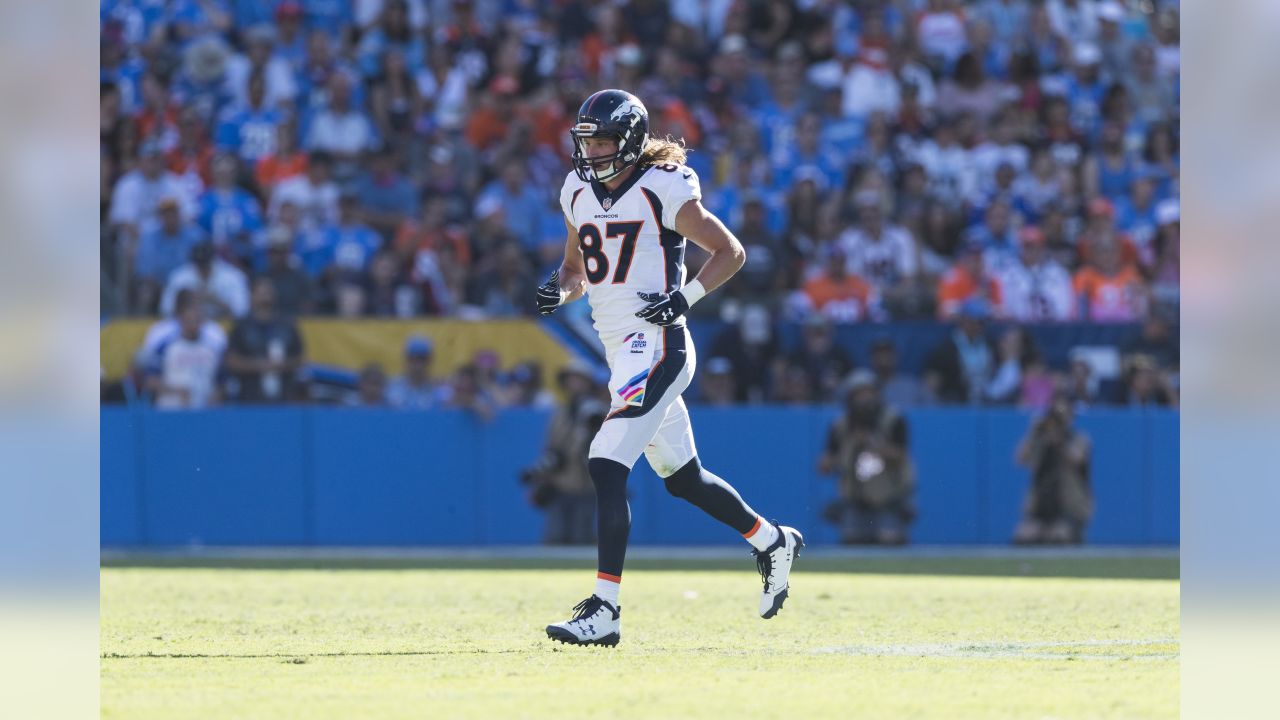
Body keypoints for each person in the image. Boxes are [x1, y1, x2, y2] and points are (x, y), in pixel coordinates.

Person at [536, 90, 804, 647]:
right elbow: (575, 268)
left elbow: (730, 251)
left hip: (658, 343)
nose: (594, 151)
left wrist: (686, 297)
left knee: (606, 463)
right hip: (620, 350)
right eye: (588, 140)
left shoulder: (663, 186)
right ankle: (770, 540)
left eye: (605, 140)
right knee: (684, 481)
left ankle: (604, 609)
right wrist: (557, 292)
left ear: (631, 140)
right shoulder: (576, 190)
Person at [818, 370, 915, 545]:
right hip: (855, 499)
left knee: (889, 540)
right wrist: (847, 452)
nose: (864, 399)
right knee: (853, 540)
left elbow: (902, 455)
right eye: (859, 394)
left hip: (888, 497)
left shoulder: (892, 419)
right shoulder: (841, 425)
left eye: (868, 392)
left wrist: (873, 446)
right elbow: (825, 465)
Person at [521, 364, 606, 545]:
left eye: (579, 380)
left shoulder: (599, 411)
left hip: (588, 485)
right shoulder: (560, 414)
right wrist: (539, 479)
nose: (574, 384)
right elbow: (551, 451)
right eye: (570, 380)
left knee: (583, 540)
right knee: (555, 539)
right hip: (559, 485)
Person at [1013, 394, 1093, 544]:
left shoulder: (1078, 438)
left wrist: (1060, 441)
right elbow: (1019, 460)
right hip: (1041, 505)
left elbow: (1076, 459)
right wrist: (1033, 432)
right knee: (1024, 536)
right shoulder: (1041, 439)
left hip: (1069, 507)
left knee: (1058, 536)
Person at [223, 279, 306, 403]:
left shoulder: (287, 325)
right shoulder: (241, 326)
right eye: (260, 292)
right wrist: (261, 365)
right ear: (252, 296)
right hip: (250, 399)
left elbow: (300, 359)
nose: (265, 296)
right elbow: (231, 361)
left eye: (268, 291)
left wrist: (281, 365)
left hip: (284, 398)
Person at [386, 335, 440, 410]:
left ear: (429, 361)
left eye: (422, 359)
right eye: (412, 359)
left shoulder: (437, 392)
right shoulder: (390, 389)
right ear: (406, 360)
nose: (417, 364)